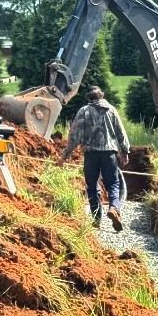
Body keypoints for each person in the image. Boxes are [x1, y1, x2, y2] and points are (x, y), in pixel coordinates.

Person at [59, 86, 130, 231]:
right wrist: (125, 151)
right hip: (109, 153)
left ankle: (96, 219)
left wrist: (65, 156)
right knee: (113, 184)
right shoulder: (111, 110)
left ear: (89, 98)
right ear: (102, 96)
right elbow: (120, 132)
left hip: (91, 154)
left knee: (92, 187)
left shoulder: (84, 111)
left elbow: (74, 136)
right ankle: (114, 208)